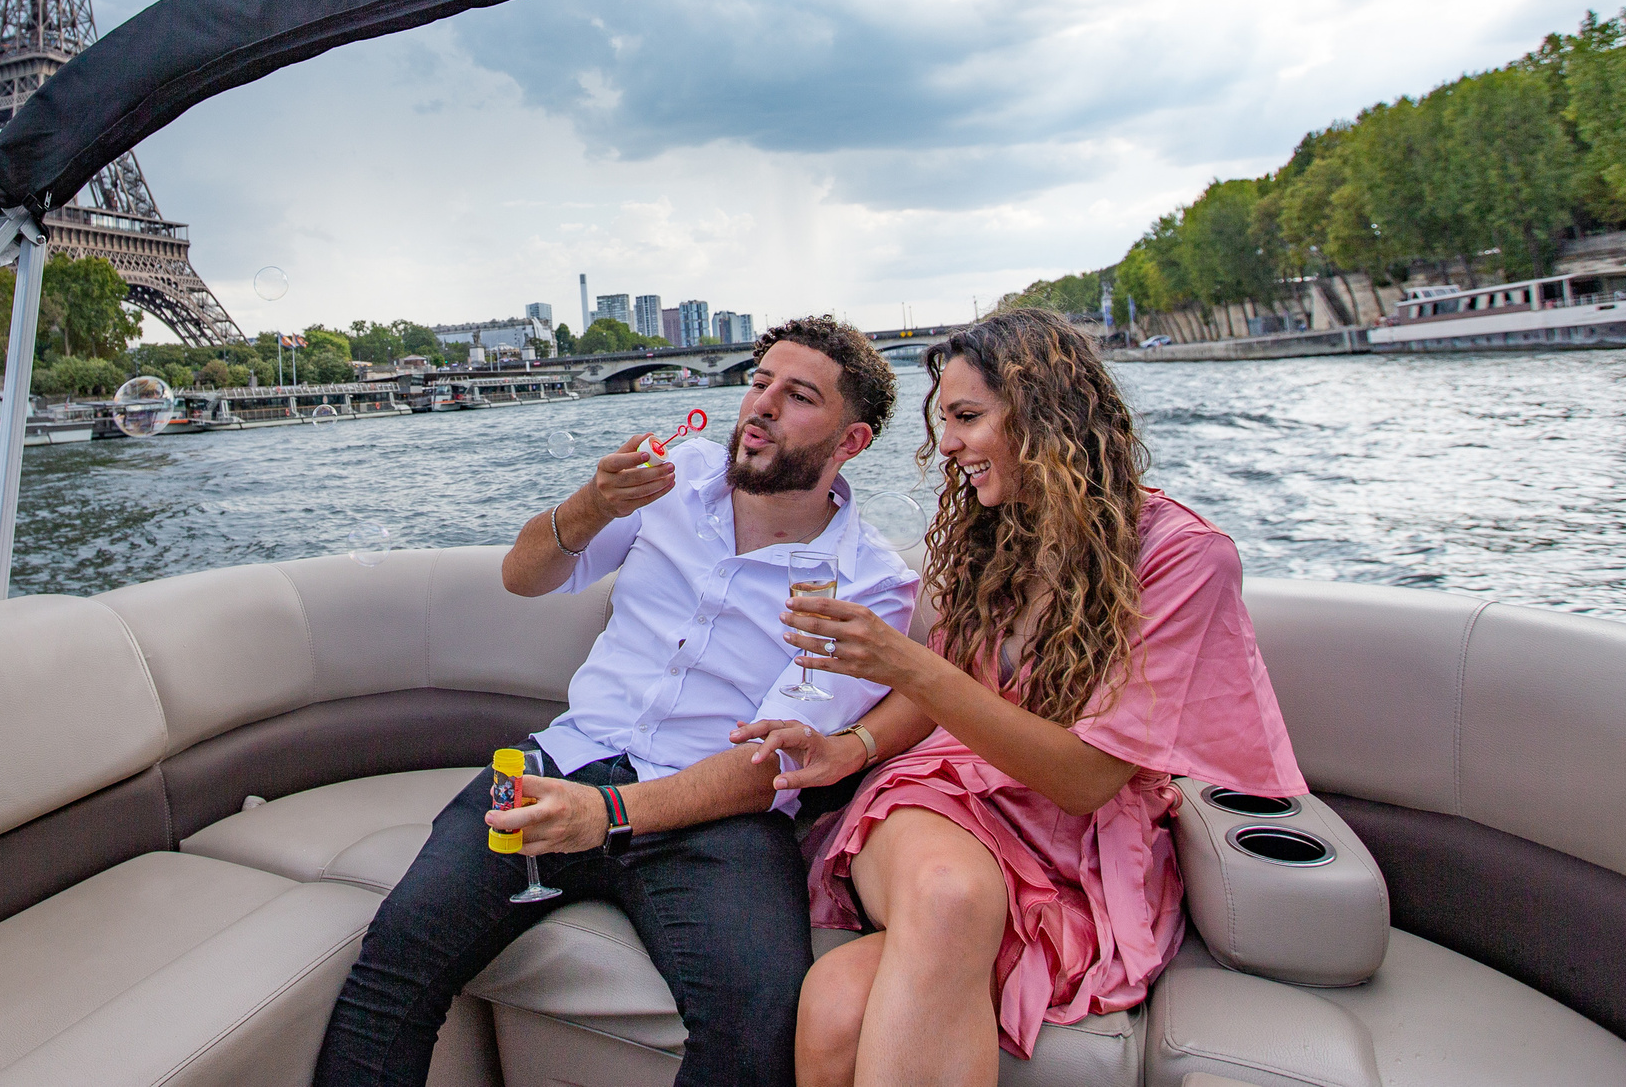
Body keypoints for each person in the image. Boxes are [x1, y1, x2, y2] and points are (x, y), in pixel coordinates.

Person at [313, 317, 922, 1087]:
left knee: (758, 1022)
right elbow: (522, 575)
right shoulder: (672, 475)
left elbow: (774, 760)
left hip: (719, 814)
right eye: (760, 380)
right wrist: (591, 503)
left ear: (851, 440)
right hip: (561, 756)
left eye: (798, 395)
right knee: (394, 962)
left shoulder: (868, 584)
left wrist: (608, 814)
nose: (761, 404)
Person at [735, 309, 1305, 1087]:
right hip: (940, 799)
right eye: (945, 422)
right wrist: (853, 748)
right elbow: (944, 707)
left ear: (1046, 414)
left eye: (967, 418)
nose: (948, 447)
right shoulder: (989, 529)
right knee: (947, 890)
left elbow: (1085, 778)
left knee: (838, 1002)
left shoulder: (1183, 557)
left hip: (1076, 833)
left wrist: (903, 662)